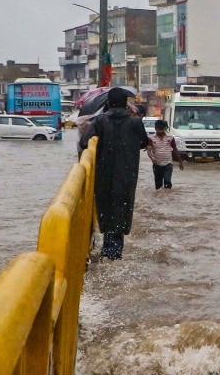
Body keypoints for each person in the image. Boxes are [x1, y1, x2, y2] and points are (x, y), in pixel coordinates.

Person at [78, 88, 150, 260]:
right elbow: (143, 142)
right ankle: (115, 253)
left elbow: (83, 142)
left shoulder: (99, 121)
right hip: (127, 175)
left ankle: (107, 250)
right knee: (122, 210)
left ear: (108, 103)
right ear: (125, 103)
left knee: (106, 210)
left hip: (103, 175)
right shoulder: (135, 122)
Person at [146, 119, 183, 190]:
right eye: (158, 129)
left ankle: (167, 198)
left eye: (161, 129)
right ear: (155, 128)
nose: (160, 130)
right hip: (157, 164)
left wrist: (180, 162)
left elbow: (175, 150)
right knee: (158, 185)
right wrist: (152, 158)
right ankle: (159, 199)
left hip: (168, 164)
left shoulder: (170, 138)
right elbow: (149, 150)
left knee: (167, 181)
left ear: (165, 128)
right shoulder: (151, 138)